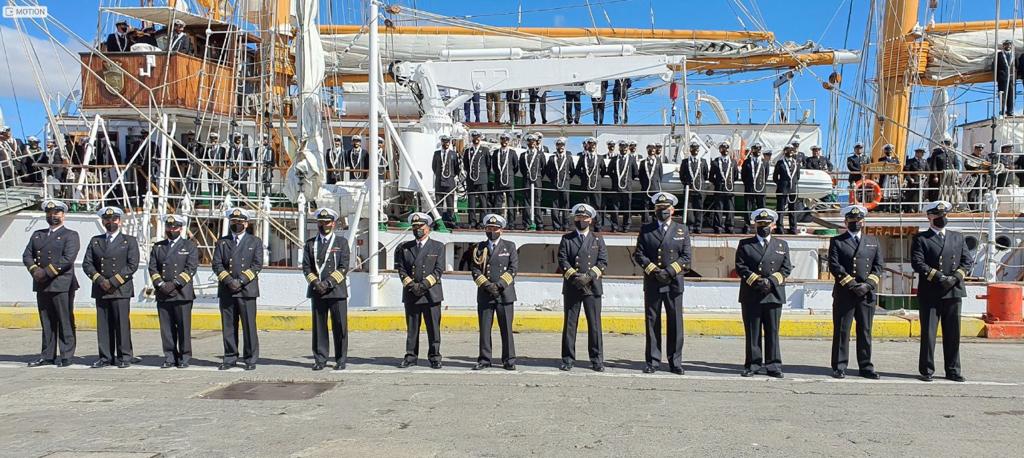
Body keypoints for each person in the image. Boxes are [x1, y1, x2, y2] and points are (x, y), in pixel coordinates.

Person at [911, 201, 972, 382]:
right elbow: (917, 263)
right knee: (929, 334)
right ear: (929, 217)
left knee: (953, 334)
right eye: (938, 216)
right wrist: (939, 277)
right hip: (931, 292)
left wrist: (954, 278)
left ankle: (953, 370)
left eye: (944, 216)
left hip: (953, 291)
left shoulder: (957, 237)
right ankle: (927, 370)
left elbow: (967, 262)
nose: (942, 219)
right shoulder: (921, 239)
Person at [633, 192, 691, 374]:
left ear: (672, 210)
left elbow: (686, 257)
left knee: (675, 322)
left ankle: (675, 361)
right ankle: (653, 361)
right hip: (653, 281)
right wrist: (654, 270)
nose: (662, 211)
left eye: (665, 209)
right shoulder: (646, 229)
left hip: (673, 282)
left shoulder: (682, 230)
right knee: (652, 321)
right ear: (655, 210)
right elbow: (639, 254)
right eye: (659, 208)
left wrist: (669, 271)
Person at [735, 208, 792, 378]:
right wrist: (757, 281)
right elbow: (740, 267)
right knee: (753, 331)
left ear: (773, 225)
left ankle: (773, 365)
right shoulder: (745, 244)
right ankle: (753, 364)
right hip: (752, 293)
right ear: (755, 225)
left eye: (766, 224)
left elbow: (786, 268)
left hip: (773, 293)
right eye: (760, 224)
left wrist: (771, 281)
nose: (763, 227)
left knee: (772, 331)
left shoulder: (782, 245)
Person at [828, 205, 883, 379]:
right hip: (845, 293)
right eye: (852, 221)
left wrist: (867, 285)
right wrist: (852, 285)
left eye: (858, 220)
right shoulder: (837, 241)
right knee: (842, 331)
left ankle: (866, 366)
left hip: (866, 294)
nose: (856, 223)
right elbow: (835, 266)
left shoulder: (873, 241)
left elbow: (878, 267)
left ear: (863, 222)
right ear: (845, 222)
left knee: (865, 331)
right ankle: (839, 366)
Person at [23, 200, 80, 367]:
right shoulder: (37, 234)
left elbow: (68, 259)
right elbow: (27, 255)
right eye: (49, 213)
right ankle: (47, 355)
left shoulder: (71, 235)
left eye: (56, 213)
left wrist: (46, 272)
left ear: (63, 215)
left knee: (64, 320)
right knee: (46, 321)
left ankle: (66, 355)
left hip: (61, 283)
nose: (52, 216)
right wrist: (35, 270)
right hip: (41, 284)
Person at [82, 206, 139, 369]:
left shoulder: (129, 241)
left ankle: (124, 356)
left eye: (113, 219)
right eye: (107, 220)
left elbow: (132, 265)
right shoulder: (95, 241)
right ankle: (105, 357)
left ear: (119, 221)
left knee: (121, 324)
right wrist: (100, 280)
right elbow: (88, 264)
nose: (110, 222)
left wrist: (113, 281)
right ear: (103, 221)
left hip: (120, 289)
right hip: (101, 288)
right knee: (104, 325)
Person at [557, 204, 608, 372]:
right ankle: (568, 358)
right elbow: (562, 261)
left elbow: (602, 262)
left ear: (590, 220)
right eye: (578, 218)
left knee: (594, 325)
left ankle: (596, 359)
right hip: (572, 286)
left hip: (592, 287)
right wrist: (574, 276)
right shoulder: (567, 239)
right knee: (570, 324)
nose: (581, 221)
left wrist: (589, 276)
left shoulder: (597, 239)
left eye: (584, 218)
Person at [213, 208, 264, 371]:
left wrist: (240, 280)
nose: (237, 224)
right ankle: (229, 357)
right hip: (227, 289)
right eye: (234, 222)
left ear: (246, 223)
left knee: (249, 326)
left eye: (240, 222)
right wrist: (229, 281)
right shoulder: (222, 242)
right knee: (228, 326)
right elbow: (217, 264)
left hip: (247, 289)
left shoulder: (254, 242)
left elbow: (257, 265)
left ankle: (250, 358)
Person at [302, 208, 351, 371]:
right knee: (319, 327)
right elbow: (306, 267)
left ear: (334, 223)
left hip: (336, 290)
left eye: (327, 222)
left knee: (340, 326)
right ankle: (320, 359)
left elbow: (344, 267)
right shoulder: (310, 244)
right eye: (321, 222)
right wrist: (316, 283)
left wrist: (328, 283)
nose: (324, 225)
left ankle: (341, 359)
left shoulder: (341, 243)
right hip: (317, 290)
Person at [396, 213, 446, 369]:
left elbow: (438, 270)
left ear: (428, 228)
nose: (417, 229)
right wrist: (412, 286)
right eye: (415, 226)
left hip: (431, 294)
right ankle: (410, 356)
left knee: (433, 329)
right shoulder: (404, 247)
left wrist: (423, 285)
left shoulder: (438, 246)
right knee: (412, 329)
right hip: (411, 293)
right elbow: (401, 269)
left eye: (420, 226)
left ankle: (435, 357)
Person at [470, 214, 518, 370]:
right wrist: (488, 286)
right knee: (484, 330)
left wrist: (499, 285)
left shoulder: (510, 246)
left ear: (501, 230)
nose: (492, 231)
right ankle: (484, 359)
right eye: (489, 228)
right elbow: (475, 270)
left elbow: (513, 269)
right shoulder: (479, 247)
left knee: (506, 329)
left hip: (505, 294)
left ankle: (509, 360)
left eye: (495, 229)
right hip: (485, 294)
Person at [149, 214, 198, 368]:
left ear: (181, 228)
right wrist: (161, 285)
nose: (172, 229)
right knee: (167, 328)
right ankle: (170, 356)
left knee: (183, 327)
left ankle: (184, 357)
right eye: (169, 227)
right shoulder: (158, 247)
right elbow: (152, 268)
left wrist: (175, 284)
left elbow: (191, 268)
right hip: (163, 293)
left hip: (182, 293)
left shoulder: (189, 246)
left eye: (175, 227)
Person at [574, 137, 605, 231]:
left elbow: (603, 170)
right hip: (585, 185)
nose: (592, 146)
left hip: (596, 185)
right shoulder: (583, 157)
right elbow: (577, 170)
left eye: (594, 145)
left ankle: (598, 225)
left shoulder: (600, 157)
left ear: (595, 146)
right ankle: (585, 224)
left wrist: (597, 178)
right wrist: (584, 177)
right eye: (590, 144)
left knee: (597, 206)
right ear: (587, 145)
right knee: (586, 206)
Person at [679, 140, 708, 234]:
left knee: (699, 208)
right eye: (693, 148)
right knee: (689, 208)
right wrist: (687, 184)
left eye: (696, 149)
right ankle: (690, 225)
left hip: (700, 189)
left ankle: (698, 226)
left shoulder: (703, 162)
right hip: (689, 189)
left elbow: (705, 174)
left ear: (698, 150)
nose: (695, 150)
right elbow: (681, 175)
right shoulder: (685, 162)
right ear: (690, 150)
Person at [607, 140, 636, 232]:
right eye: (622, 147)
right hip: (616, 188)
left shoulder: (631, 159)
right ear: (619, 148)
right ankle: (615, 226)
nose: (623, 149)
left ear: (627, 148)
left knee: (627, 208)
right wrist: (615, 179)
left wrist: (628, 180)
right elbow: (609, 171)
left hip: (627, 188)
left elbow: (635, 173)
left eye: (625, 147)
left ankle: (626, 226)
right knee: (615, 208)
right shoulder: (614, 159)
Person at [545, 137, 574, 231]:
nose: (560, 147)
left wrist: (567, 179)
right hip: (554, 185)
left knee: (566, 205)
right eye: (558, 145)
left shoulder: (568, 158)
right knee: (555, 206)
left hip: (565, 184)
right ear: (556, 146)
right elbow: (547, 171)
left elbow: (572, 170)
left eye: (562, 145)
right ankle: (556, 226)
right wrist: (553, 179)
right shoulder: (552, 158)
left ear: (564, 146)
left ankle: (565, 225)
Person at [463, 131, 490, 228]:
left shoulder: (485, 150)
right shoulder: (468, 151)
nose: (476, 139)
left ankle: (482, 221)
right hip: (471, 179)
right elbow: (466, 165)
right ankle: (472, 221)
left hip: (482, 179)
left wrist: (481, 173)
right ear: (472, 138)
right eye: (474, 137)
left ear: (480, 138)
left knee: (483, 201)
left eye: (477, 137)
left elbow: (488, 164)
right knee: (471, 202)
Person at [709, 141, 738, 234]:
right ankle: (718, 226)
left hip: (729, 189)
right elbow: (711, 177)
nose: (725, 150)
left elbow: (736, 176)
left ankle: (730, 226)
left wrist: (729, 183)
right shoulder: (715, 162)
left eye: (727, 148)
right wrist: (718, 183)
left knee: (730, 209)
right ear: (720, 150)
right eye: (723, 149)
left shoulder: (733, 162)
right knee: (719, 209)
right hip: (719, 189)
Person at [432, 134, 460, 228]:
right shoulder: (437, 153)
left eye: (448, 142)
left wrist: (451, 176)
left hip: (450, 182)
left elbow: (456, 168)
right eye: (444, 142)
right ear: (442, 142)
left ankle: (451, 221)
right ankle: (438, 221)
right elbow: (434, 167)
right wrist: (440, 175)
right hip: (439, 181)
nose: (446, 143)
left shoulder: (453, 154)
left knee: (450, 202)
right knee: (439, 203)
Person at [518, 134, 545, 230]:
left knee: (537, 202)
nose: (532, 143)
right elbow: (521, 168)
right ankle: (526, 224)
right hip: (527, 180)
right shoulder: (523, 155)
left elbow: (543, 167)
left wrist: (538, 176)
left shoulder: (540, 154)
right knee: (526, 203)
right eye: (530, 141)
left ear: (535, 142)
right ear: (527, 143)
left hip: (537, 180)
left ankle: (539, 224)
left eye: (533, 141)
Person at [741, 143, 769, 233]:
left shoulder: (765, 162)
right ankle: (747, 225)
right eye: (756, 149)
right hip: (750, 188)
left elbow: (766, 176)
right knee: (748, 207)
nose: (758, 151)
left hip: (760, 189)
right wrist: (749, 184)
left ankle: (761, 224)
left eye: (759, 149)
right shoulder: (747, 162)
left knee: (761, 207)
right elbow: (743, 176)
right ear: (752, 150)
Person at [490, 132, 518, 223]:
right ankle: (497, 221)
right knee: (498, 202)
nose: (504, 142)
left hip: (509, 180)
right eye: (502, 140)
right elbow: (494, 166)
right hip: (499, 180)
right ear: (500, 141)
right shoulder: (496, 153)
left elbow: (516, 166)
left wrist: (509, 174)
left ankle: (511, 222)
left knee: (511, 202)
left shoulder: (512, 153)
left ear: (508, 141)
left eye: (506, 140)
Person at [773, 146, 801, 234]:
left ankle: (793, 228)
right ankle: (780, 227)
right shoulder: (780, 163)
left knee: (792, 210)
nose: (790, 152)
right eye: (788, 151)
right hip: (782, 189)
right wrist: (781, 184)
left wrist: (793, 184)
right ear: (785, 152)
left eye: (791, 151)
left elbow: (798, 176)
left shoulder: (796, 163)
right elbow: (775, 177)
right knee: (781, 209)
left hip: (793, 189)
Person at [638, 143, 663, 225]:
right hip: (646, 188)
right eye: (650, 148)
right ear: (647, 150)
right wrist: (644, 184)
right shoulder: (643, 162)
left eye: (653, 148)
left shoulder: (658, 161)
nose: (652, 150)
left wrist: (657, 183)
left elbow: (660, 174)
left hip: (655, 187)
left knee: (655, 205)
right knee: (645, 205)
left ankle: (655, 222)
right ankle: (645, 222)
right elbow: (640, 175)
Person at [903, 147, 929, 212]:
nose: (922, 155)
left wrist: (926, 177)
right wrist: (910, 179)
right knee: (912, 195)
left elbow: (928, 171)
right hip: (913, 181)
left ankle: (920, 209)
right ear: (917, 153)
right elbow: (906, 171)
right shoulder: (910, 161)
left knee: (922, 195)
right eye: (921, 153)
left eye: (923, 153)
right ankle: (911, 209)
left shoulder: (924, 161)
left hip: (923, 181)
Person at [964, 143, 989, 211]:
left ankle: (979, 208)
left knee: (981, 193)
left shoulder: (985, 157)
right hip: (973, 177)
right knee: (972, 193)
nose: (979, 151)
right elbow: (967, 165)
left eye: (981, 150)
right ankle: (972, 208)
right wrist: (976, 169)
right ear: (975, 149)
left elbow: (989, 166)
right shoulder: (970, 157)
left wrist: (986, 166)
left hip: (983, 178)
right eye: (978, 150)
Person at [995, 39, 1015, 116]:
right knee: (1002, 95)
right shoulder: (999, 55)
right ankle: (1002, 111)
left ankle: (1010, 111)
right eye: (1006, 44)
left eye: (1009, 44)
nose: (1008, 46)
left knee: (1011, 95)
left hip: (1011, 78)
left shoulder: (1013, 55)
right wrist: (998, 78)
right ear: (1003, 46)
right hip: (1002, 79)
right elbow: (995, 67)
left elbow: (1016, 65)